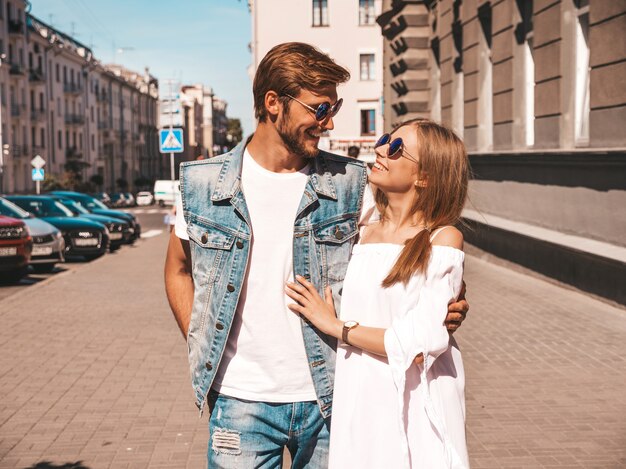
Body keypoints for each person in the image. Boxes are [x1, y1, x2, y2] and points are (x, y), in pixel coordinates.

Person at [164, 42, 469, 468]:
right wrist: (203, 342)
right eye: (320, 109)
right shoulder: (203, 184)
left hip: (333, 394)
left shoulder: (352, 182)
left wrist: (449, 299)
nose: (328, 122)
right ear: (274, 103)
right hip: (241, 396)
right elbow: (178, 270)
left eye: (334, 107)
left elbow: (414, 239)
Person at [285, 119, 470, 468]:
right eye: (386, 139)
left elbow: (415, 345)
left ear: (425, 177)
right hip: (359, 396)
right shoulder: (360, 230)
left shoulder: (443, 240)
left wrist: (336, 327)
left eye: (396, 148)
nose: (381, 149)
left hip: (414, 403)